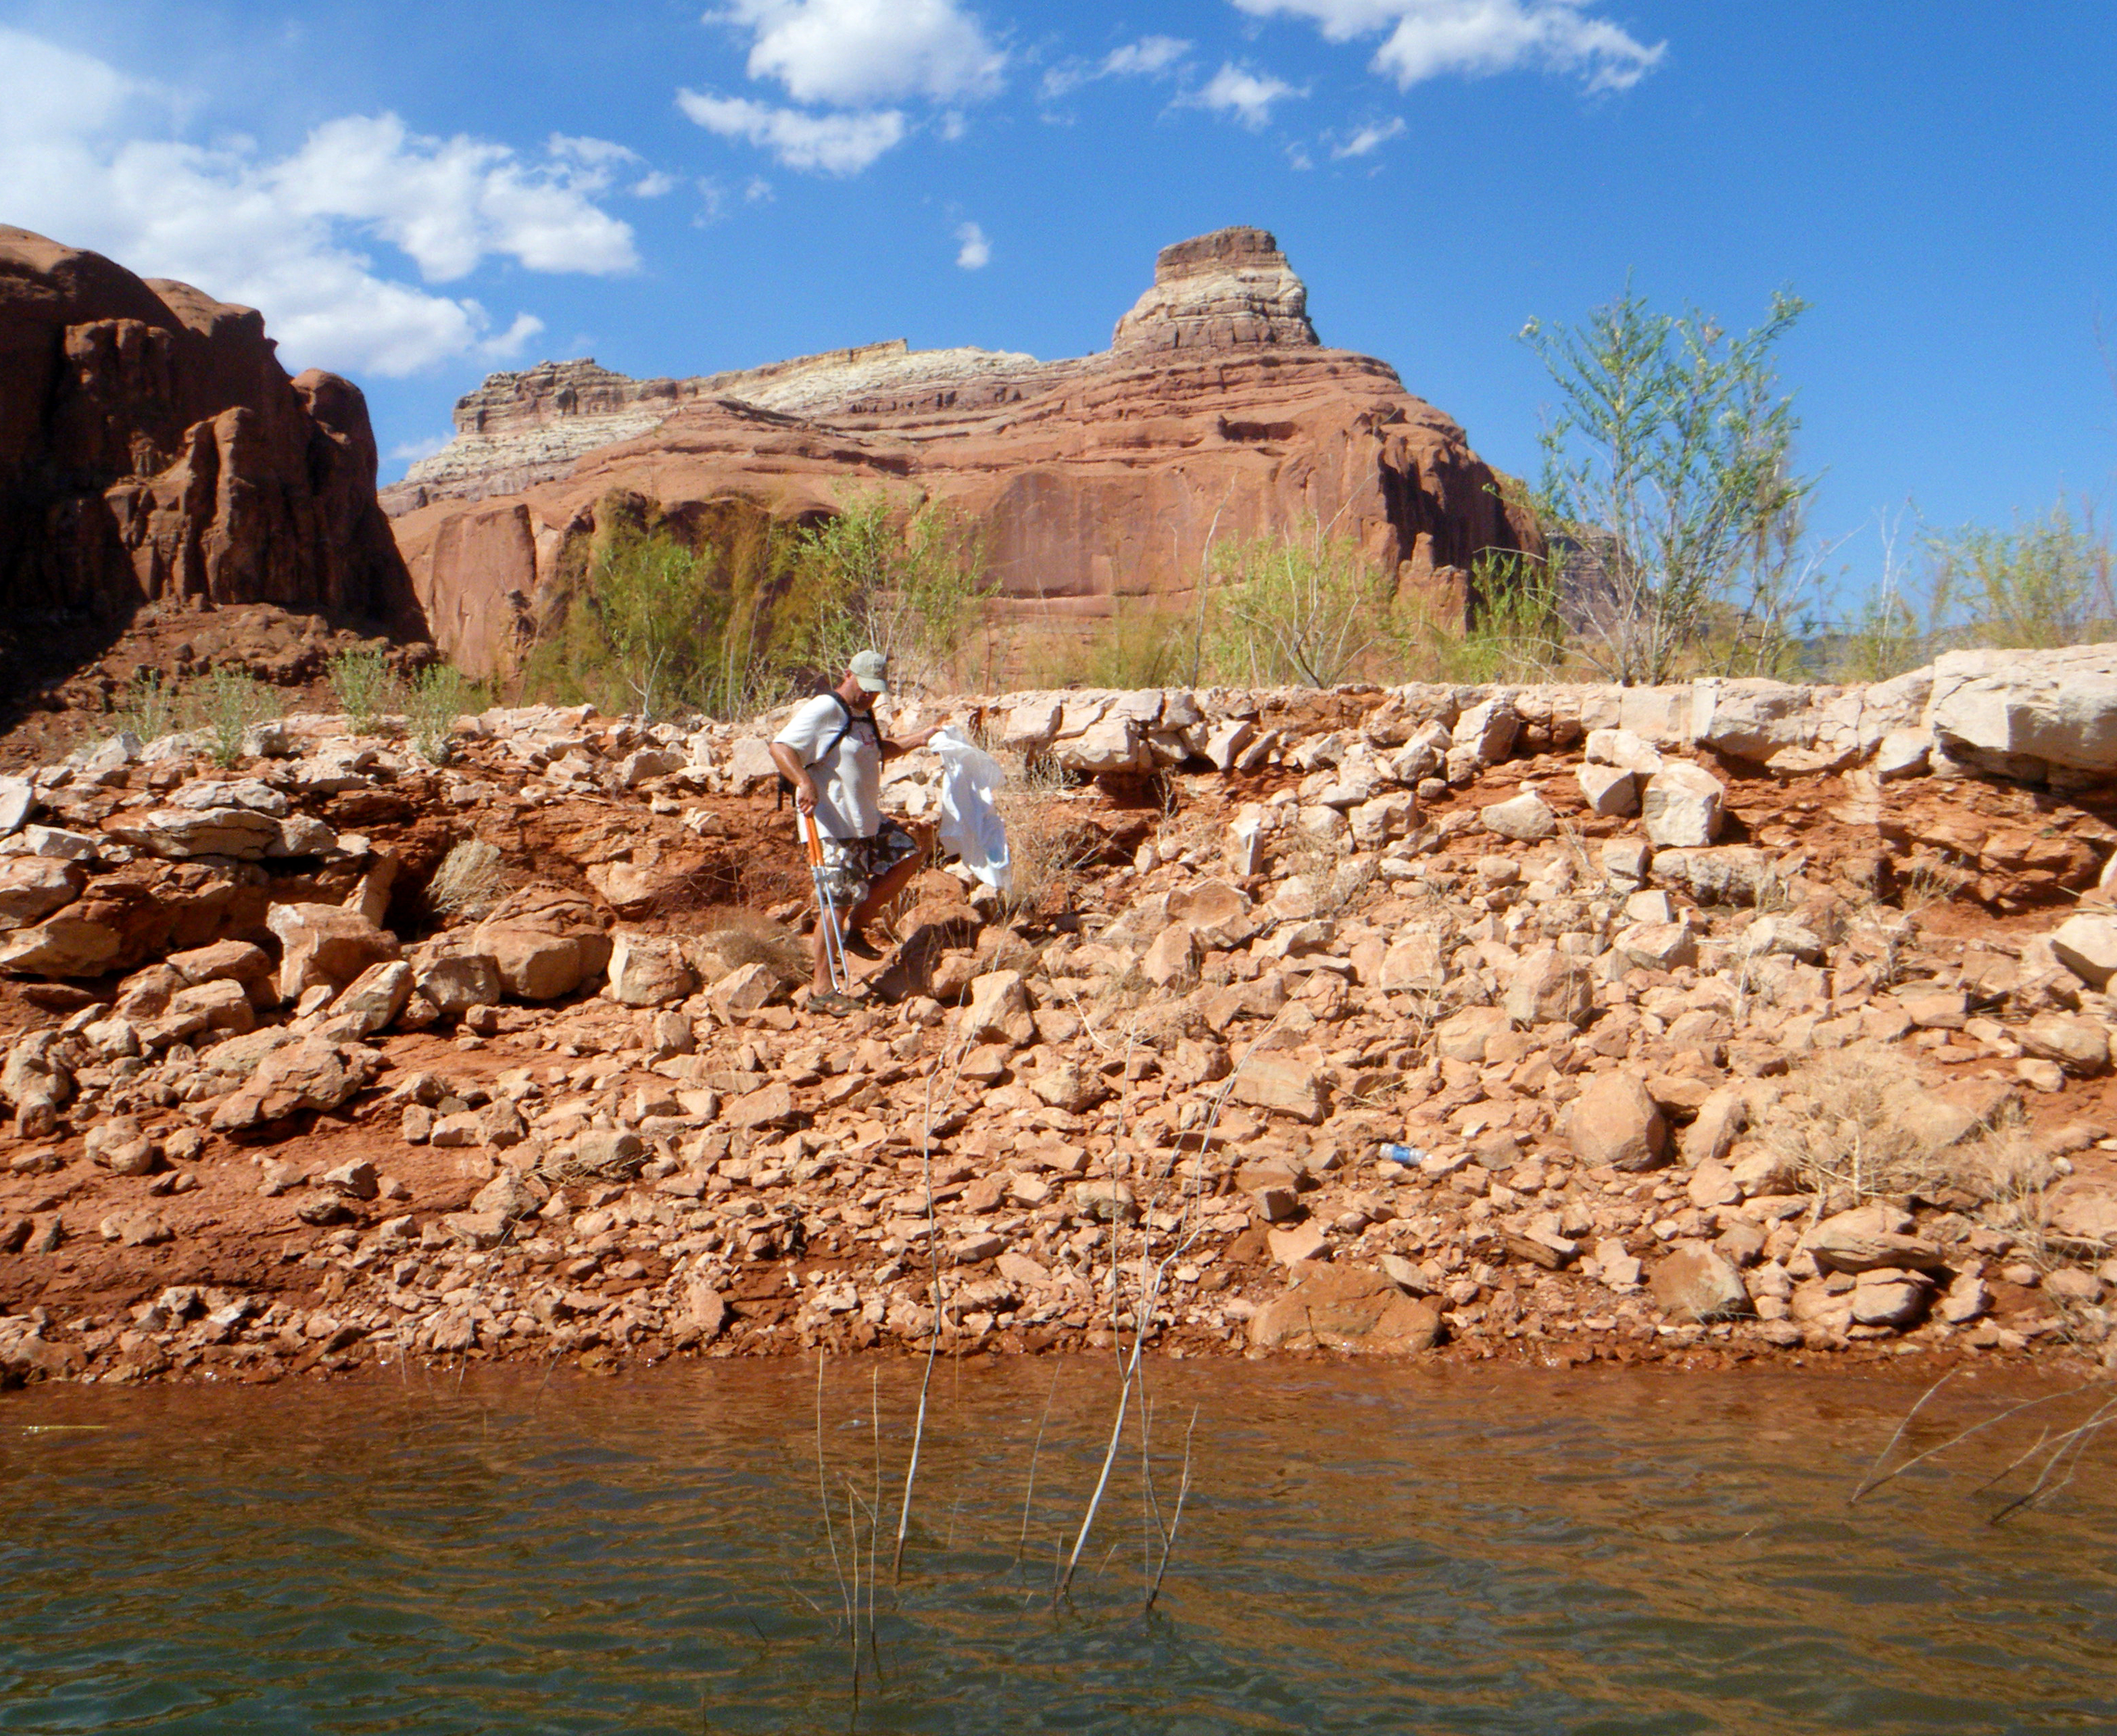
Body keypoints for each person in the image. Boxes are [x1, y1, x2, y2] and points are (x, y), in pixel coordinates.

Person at [769, 649, 938, 1015]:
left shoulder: (863, 714)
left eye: (876, 691)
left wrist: (921, 738)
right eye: (865, 688)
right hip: (832, 823)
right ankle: (821, 989)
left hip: (865, 820)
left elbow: (879, 750)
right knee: (836, 902)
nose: (869, 696)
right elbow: (780, 746)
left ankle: (856, 927)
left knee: (908, 855)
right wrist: (803, 783)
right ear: (848, 674)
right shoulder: (825, 708)